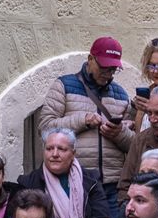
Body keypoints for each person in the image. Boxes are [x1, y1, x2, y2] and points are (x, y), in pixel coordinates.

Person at [37, 37, 135, 188]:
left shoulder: (121, 94)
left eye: (112, 70)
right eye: (104, 67)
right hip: (73, 179)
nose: (108, 74)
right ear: (90, 59)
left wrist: (119, 133)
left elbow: (133, 146)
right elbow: (45, 128)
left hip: (112, 184)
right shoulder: (63, 85)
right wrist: (83, 121)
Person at [16, 129, 116, 218]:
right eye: (49, 149)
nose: (54, 154)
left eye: (61, 149)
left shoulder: (91, 180)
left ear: (73, 153)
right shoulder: (29, 183)